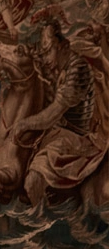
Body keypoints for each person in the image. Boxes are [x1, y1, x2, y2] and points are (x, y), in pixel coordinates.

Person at [13, 19, 106, 205]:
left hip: (76, 138)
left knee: (33, 178)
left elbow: (52, 115)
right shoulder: (62, 66)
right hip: (60, 132)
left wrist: (23, 124)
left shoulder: (78, 68)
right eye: (43, 53)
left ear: (63, 46)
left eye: (48, 51)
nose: (46, 59)